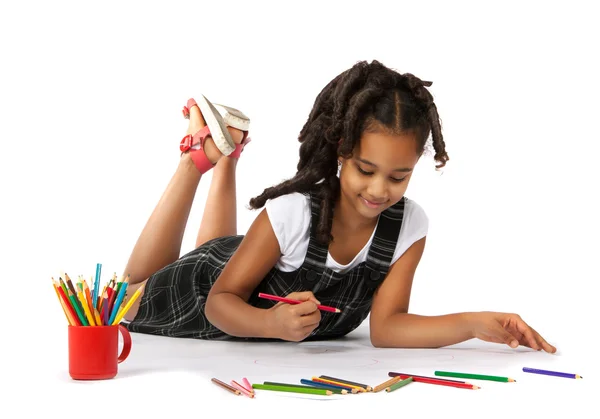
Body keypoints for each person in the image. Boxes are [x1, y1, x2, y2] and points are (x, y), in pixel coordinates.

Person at [120, 60, 556, 353]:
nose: (380, 189)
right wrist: (271, 325)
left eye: (398, 176)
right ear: (342, 151)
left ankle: (228, 155)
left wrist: (474, 324)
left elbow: (387, 329)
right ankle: (196, 160)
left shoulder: (409, 227)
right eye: (366, 169)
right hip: (204, 291)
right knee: (127, 295)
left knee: (218, 246)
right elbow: (220, 302)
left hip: (239, 257)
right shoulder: (293, 211)